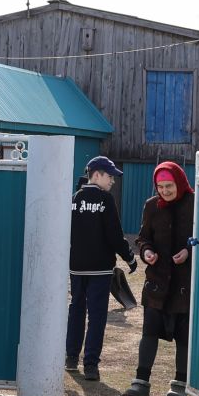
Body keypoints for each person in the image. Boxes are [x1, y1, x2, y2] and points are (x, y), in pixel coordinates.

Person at [123, 160, 195, 396]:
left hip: (184, 283)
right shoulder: (151, 206)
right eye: (160, 186)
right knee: (149, 331)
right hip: (157, 281)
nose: (164, 191)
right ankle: (141, 383)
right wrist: (146, 253)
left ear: (180, 182)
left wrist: (188, 252)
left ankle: (180, 384)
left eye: (169, 186)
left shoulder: (195, 203)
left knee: (184, 336)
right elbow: (143, 238)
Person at [66, 155, 135, 381]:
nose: (113, 181)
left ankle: (71, 358)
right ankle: (91, 365)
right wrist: (130, 258)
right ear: (96, 174)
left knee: (76, 310)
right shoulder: (106, 200)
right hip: (100, 270)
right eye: (110, 176)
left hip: (76, 267)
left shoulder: (74, 198)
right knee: (97, 316)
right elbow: (115, 235)